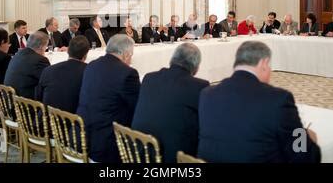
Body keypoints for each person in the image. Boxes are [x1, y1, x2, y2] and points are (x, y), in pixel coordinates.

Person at [198, 41, 321, 163]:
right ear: (264, 63)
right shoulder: (279, 99)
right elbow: (302, 153)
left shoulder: (207, 94)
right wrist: (305, 137)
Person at [132, 43, 209, 163]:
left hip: (140, 152)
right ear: (196, 68)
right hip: (173, 157)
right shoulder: (199, 86)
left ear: (172, 60)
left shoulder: (149, 78)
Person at [77, 35, 140, 163]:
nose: (131, 59)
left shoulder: (91, 65)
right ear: (126, 54)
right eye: (131, 55)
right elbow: (139, 106)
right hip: (107, 144)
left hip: (81, 137)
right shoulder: (127, 73)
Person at [36, 36, 90, 113]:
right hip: (73, 121)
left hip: (48, 120)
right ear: (86, 54)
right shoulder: (90, 72)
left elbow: (38, 97)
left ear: (68, 51)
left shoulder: (48, 70)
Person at [4, 32, 50, 99]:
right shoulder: (40, 60)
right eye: (46, 46)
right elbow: (48, 80)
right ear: (41, 46)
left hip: (9, 100)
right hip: (26, 104)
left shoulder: (18, 54)